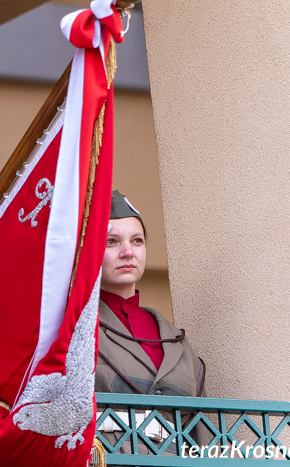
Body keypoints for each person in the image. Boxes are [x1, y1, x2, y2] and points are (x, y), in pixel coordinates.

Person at [95, 190, 207, 453]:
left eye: (137, 241)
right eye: (111, 241)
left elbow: (201, 430)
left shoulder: (177, 340)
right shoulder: (72, 327)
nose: (127, 252)